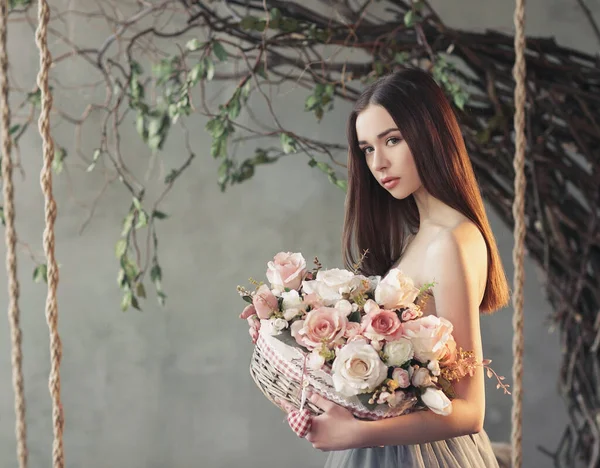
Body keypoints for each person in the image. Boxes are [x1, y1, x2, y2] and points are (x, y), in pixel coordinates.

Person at [249, 67, 511, 467]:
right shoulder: (421, 238)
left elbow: (469, 411)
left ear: (429, 134)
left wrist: (359, 432)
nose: (379, 162)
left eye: (392, 140)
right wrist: (285, 324)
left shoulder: (450, 241)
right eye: (367, 148)